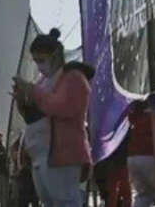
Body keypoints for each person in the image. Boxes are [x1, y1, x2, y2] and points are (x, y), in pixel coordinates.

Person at [12, 28, 94, 207]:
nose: (39, 66)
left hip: (62, 155)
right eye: (36, 61)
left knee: (65, 201)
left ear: (55, 56)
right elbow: (35, 114)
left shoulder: (74, 78)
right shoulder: (44, 81)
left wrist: (32, 91)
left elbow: (63, 107)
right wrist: (23, 100)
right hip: (40, 156)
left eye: (41, 60)